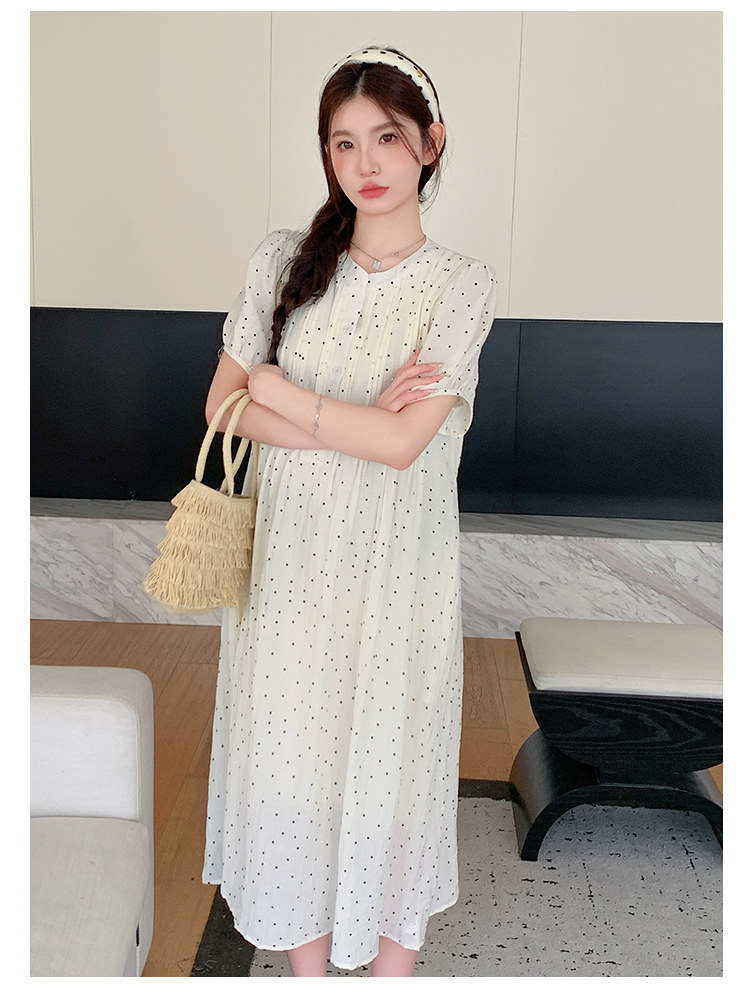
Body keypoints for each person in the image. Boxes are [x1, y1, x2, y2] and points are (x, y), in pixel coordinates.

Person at [201, 46, 497, 977]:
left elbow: (405, 446)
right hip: (289, 565)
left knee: (394, 772)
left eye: (387, 138)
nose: (365, 163)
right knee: (291, 771)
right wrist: (354, 418)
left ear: (430, 143)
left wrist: (283, 392)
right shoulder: (281, 260)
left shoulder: (462, 284)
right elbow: (221, 408)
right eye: (343, 143)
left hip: (398, 570)